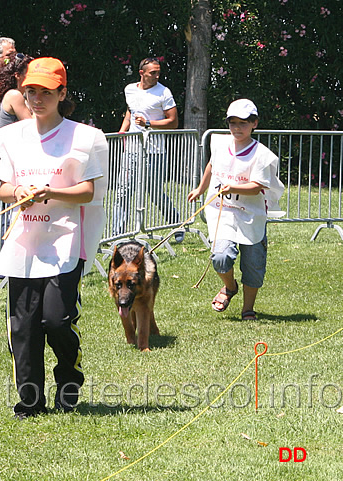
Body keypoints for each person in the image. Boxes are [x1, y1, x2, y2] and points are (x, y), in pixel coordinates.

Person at [0, 57, 109, 419]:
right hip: (24, 242)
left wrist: (51, 193)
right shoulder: (9, 136)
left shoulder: (86, 137)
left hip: (66, 241)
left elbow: (89, 191)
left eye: (45, 92)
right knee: (23, 328)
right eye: (31, 91)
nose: (37, 99)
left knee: (56, 321)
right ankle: (30, 403)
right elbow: (3, 190)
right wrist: (20, 191)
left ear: (62, 93)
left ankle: (69, 378)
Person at [187, 99, 284, 321]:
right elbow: (212, 165)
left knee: (253, 265)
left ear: (254, 124)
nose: (237, 128)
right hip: (224, 212)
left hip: (251, 216)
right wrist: (201, 189)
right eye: (233, 123)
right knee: (220, 257)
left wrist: (234, 187)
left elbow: (257, 186)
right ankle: (230, 287)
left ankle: (248, 309)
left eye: (243, 123)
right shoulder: (221, 144)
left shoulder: (261, 154)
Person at [116, 57, 183, 242]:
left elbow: (173, 122)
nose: (157, 76)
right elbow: (131, 110)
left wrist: (148, 123)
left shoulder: (164, 92)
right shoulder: (129, 89)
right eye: (153, 72)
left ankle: (177, 223)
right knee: (123, 191)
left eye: (158, 72)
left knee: (155, 193)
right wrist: (123, 130)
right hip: (131, 149)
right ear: (142, 73)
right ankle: (117, 234)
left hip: (155, 151)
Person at [0, 52, 33, 267]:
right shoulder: (14, 96)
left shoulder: (16, 94)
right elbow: (32, 126)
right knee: (5, 212)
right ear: (19, 75)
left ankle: (0, 260)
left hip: (10, 159)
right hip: (8, 160)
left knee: (5, 212)